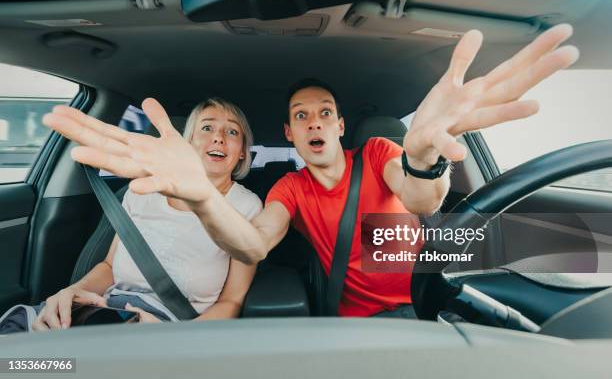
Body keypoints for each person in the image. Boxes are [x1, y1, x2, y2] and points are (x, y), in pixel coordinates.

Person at [42, 24, 579, 317]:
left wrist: (422, 157)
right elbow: (252, 247)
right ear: (293, 134)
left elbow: (420, 202)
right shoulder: (289, 187)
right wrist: (204, 198)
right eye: (301, 116)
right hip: (364, 321)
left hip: (436, 290)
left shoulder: (377, 155)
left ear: (341, 126)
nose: (314, 121)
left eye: (324, 112)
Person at [33, 98, 262, 330]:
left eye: (232, 131)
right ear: (189, 143)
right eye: (206, 127)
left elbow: (232, 301)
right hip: (106, 312)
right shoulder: (142, 189)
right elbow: (109, 267)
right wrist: (71, 294)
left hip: (174, 329)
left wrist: (177, 338)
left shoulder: (246, 206)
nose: (219, 137)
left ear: (242, 152)